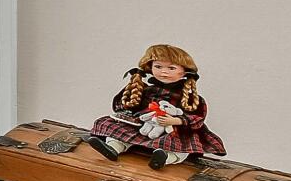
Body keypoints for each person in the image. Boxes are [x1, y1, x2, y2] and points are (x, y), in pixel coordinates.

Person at [87, 43, 225, 167]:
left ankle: (164, 158)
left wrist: (175, 120)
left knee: (180, 145)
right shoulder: (147, 90)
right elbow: (124, 106)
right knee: (116, 128)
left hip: (173, 128)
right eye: (158, 66)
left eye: (171, 68)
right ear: (150, 68)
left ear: (184, 71)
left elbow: (197, 117)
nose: (163, 71)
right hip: (143, 125)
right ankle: (113, 148)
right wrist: (133, 91)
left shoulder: (188, 97)